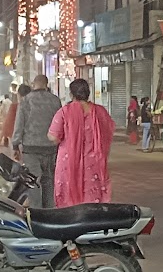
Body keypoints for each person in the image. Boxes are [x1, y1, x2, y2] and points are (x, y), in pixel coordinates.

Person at [49, 78, 115, 206]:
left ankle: (73, 222)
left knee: (69, 202)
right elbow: (109, 131)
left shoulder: (65, 112)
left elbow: (53, 137)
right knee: (92, 199)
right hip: (94, 163)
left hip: (70, 163)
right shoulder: (100, 112)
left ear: (71, 94)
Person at [13, 74, 63, 207]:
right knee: (48, 180)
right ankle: (49, 212)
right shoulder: (55, 101)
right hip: (50, 148)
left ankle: (36, 212)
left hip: (31, 148)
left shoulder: (26, 101)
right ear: (47, 84)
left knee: (33, 181)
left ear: (33, 84)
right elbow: (59, 125)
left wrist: (15, 144)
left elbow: (19, 124)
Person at [2, 83, 29, 148]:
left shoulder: (15, 107)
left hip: (20, 141)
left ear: (18, 95)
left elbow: (10, 124)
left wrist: (14, 143)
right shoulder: (36, 106)